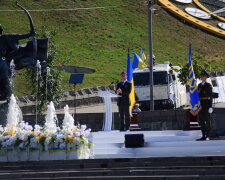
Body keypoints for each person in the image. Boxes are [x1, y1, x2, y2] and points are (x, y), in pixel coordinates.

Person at [0, 24, 34, 101]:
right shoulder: (6, 37)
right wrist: (30, 34)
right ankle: (6, 94)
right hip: (2, 62)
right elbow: (18, 36)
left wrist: (30, 34)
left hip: (2, 62)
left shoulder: (5, 37)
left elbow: (18, 36)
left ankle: (7, 95)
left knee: (5, 78)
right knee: (5, 78)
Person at [196, 70, 213, 141]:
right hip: (200, 104)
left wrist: (210, 106)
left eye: (204, 76)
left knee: (207, 121)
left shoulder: (208, 85)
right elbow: (197, 95)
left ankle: (208, 135)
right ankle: (203, 135)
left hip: (206, 103)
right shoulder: (199, 85)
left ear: (206, 77)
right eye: (201, 76)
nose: (202, 77)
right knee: (201, 121)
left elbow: (211, 96)